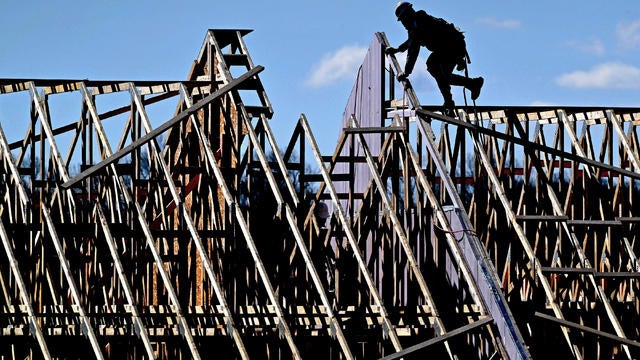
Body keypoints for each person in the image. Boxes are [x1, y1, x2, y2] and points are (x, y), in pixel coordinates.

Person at [386, 2, 484, 116]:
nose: (402, 23)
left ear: (408, 14)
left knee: (441, 73)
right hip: (446, 49)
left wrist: (406, 72)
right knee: (434, 68)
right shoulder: (416, 24)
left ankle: (468, 88)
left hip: (452, 46)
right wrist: (397, 49)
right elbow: (412, 42)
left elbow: (413, 49)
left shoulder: (420, 23)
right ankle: (455, 98)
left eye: (402, 19)